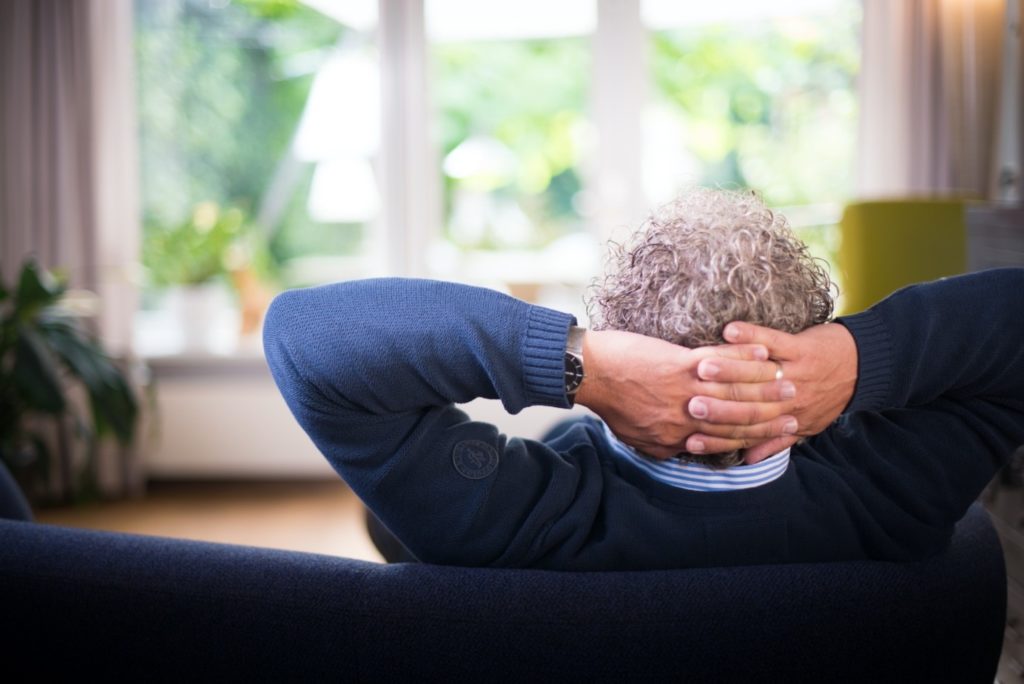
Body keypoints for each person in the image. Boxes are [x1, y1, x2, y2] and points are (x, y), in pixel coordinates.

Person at [263, 189, 1024, 570]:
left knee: (390, 521)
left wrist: (579, 367)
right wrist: (860, 359)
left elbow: (303, 336)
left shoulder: (515, 523)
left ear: (622, 340)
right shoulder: (893, 497)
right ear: (807, 344)